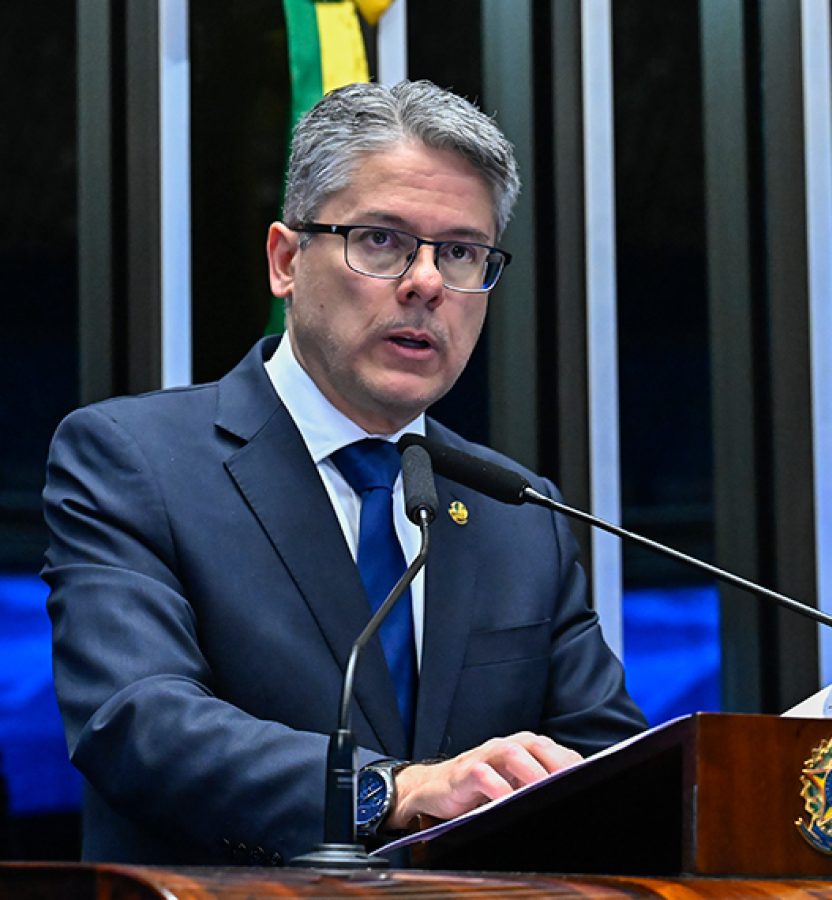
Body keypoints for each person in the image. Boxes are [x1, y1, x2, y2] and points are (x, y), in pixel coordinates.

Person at [42, 79, 646, 866]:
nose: (427, 283)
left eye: (461, 252)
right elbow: (136, 722)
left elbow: (610, 769)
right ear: (286, 260)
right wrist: (388, 791)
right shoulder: (135, 460)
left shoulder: (514, 510)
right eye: (382, 241)